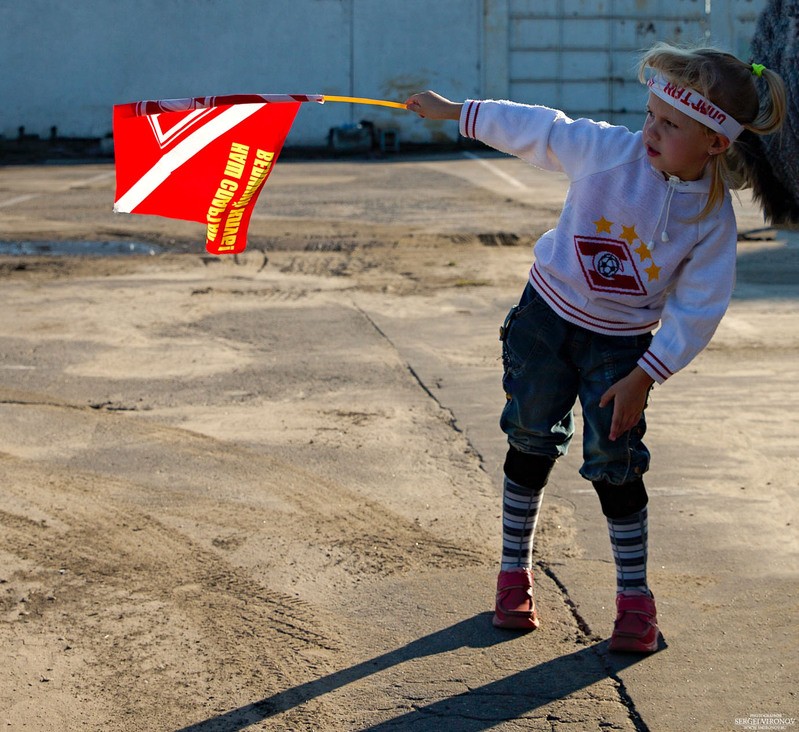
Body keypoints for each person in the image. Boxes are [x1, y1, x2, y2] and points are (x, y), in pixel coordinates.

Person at [406, 43, 787, 652]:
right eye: (651, 113)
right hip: (545, 320)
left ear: (716, 142)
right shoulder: (612, 152)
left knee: (616, 466)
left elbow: (699, 309)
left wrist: (646, 375)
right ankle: (513, 576)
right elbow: (541, 130)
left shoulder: (711, 217)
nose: (650, 131)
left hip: (621, 350)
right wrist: (456, 111)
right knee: (530, 442)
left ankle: (634, 600)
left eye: (670, 124)